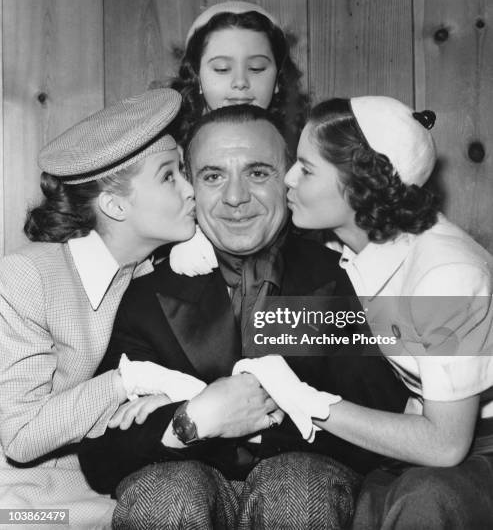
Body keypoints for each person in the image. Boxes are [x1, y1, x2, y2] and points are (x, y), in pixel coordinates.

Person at [79, 105, 409, 529]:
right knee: (166, 494)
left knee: (297, 486)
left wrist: (254, 416)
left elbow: (389, 426)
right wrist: (189, 422)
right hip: (182, 478)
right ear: (189, 186)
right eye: (213, 176)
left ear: (289, 180)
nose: (235, 197)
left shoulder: (345, 276)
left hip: (308, 483)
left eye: (257, 173)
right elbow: (100, 456)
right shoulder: (143, 288)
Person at [238, 95, 493, 528]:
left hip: (472, 449)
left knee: (421, 506)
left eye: (307, 168)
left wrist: (307, 401)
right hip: (424, 437)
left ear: (360, 185)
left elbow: (446, 445)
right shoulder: (351, 240)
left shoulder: (446, 276)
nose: (289, 179)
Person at [0, 89, 197, 528]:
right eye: (169, 176)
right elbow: (20, 436)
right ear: (114, 205)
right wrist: (131, 380)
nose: (191, 190)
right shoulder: (27, 277)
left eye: (184, 171)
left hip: (111, 494)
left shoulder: (146, 272)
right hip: (24, 506)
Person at [169, 0, 309, 150]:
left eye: (257, 68)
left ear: (277, 80)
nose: (240, 82)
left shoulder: (304, 153)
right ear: (197, 77)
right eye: (222, 69)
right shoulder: (172, 157)